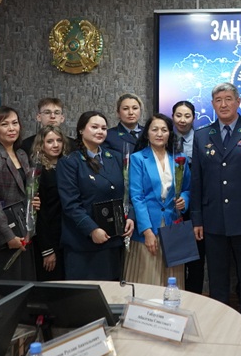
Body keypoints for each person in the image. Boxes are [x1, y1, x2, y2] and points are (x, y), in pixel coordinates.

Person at [190, 83, 241, 354]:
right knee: (217, 285)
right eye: (218, 100)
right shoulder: (202, 135)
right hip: (213, 221)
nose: (224, 104)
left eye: (228, 99)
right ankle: (221, 337)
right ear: (212, 104)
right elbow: (197, 181)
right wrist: (197, 219)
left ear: (238, 102)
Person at [58, 111, 135, 280]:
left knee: (112, 292)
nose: (100, 131)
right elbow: (71, 204)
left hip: (113, 240)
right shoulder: (70, 162)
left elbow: (127, 191)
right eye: (94, 127)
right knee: (86, 294)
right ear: (81, 130)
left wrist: (130, 216)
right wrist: (92, 229)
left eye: (104, 128)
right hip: (83, 243)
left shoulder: (115, 157)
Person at [124, 114, 190, 287]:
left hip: (173, 224)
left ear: (170, 134)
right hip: (148, 226)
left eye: (164, 130)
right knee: (148, 279)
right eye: (154, 130)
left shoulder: (179, 158)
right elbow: (137, 197)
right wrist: (147, 231)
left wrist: (184, 199)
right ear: (147, 133)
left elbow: (187, 188)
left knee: (173, 280)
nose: (159, 134)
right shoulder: (138, 158)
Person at [0, 106, 39, 280]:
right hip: (0, 237)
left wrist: (33, 202)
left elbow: (25, 191)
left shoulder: (22, 154)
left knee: (24, 285)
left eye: (15, 123)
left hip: (23, 230)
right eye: (5, 124)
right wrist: (8, 236)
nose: (12, 128)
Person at [172, 100, 206, 294]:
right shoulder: (165, 138)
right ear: (172, 117)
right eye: (178, 115)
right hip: (171, 206)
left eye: (187, 116)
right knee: (174, 256)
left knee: (196, 258)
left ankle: (194, 296)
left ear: (194, 118)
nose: (182, 120)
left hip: (197, 206)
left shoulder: (201, 139)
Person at [30, 124, 69, 281]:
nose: (56, 145)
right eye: (50, 141)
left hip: (66, 237)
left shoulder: (68, 166)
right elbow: (39, 213)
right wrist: (47, 249)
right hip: (49, 238)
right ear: (41, 145)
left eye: (59, 140)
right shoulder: (38, 172)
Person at [103, 93, 144, 158]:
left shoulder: (148, 133)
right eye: (125, 109)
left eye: (135, 108)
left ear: (140, 111)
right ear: (118, 112)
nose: (131, 112)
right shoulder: (108, 136)